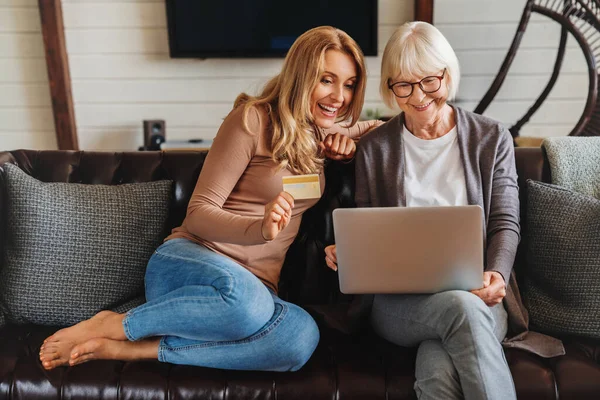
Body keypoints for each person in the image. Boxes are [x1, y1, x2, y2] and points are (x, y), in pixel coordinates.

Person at [39, 26, 381, 372]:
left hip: (257, 291)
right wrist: (258, 229)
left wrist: (352, 145)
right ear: (301, 75)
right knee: (245, 303)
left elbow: (380, 127)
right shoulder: (252, 120)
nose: (340, 96)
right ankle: (114, 325)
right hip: (192, 266)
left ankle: (135, 350)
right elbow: (199, 213)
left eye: (350, 84)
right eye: (327, 80)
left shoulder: (320, 133)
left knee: (300, 338)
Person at [324, 21, 519, 399]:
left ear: (448, 74)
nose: (419, 97)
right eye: (404, 85)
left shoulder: (492, 138)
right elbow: (371, 226)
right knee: (460, 312)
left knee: (438, 367)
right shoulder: (375, 148)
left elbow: (505, 222)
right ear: (391, 87)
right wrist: (351, 252)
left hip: (479, 297)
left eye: (431, 81)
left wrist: (496, 272)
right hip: (400, 308)